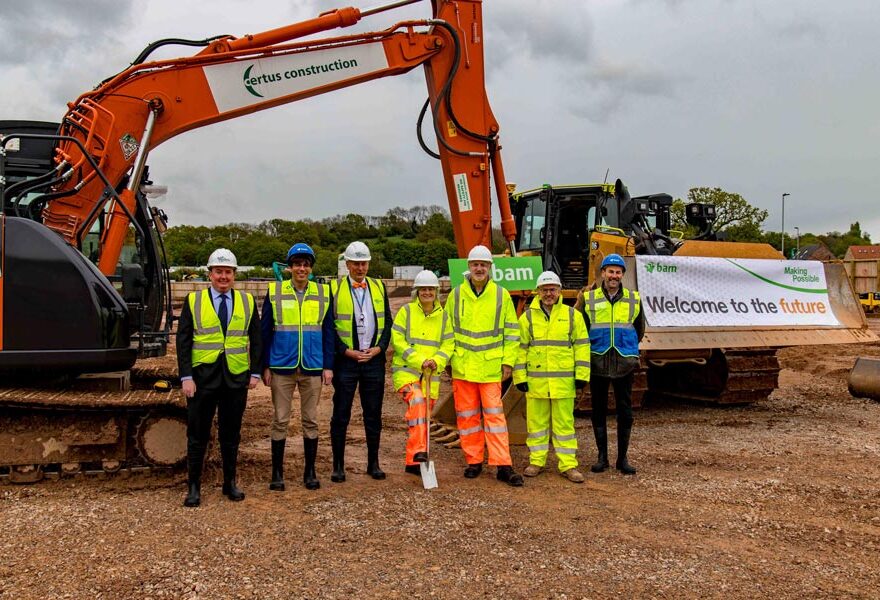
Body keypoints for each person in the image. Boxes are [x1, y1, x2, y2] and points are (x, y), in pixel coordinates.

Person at [177, 248, 261, 507]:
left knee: (231, 434)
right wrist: (186, 377)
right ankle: (193, 487)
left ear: (234, 274)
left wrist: (255, 371)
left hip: (235, 378)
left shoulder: (247, 302)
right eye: (218, 272)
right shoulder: (194, 301)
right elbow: (183, 341)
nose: (223, 277)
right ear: (210, 274)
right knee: (197, 434)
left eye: (228, 272)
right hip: (202, 378)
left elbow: (256, 340)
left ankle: (229, 483)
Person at [445, 245, 523, 487]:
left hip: (490, 369)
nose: (479, 268)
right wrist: (447, 359)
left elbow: (512, 332)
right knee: (467, 419)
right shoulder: (455, 295)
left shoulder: (501, 295)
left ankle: (503, 465)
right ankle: (474, 461)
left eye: (484, 264)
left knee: (495, 419)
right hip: (464, 367)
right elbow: (446, 331)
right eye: (475, 264)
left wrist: (508, 361)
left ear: (490, 267)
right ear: (468, 267)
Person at [260, 243, 334, 491]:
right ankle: (277, 473)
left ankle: (310, 472)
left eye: (306, 264)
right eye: (297, 264)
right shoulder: (275, 292)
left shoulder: (323, 293)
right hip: (281, 366)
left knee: (311, 420)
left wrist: (328, 366)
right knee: (280, 419)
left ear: (310, 268)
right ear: (289, 267)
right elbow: (265, 332)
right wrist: (264, 366)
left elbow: (328, 331)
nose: (302, 268)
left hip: (313, 366)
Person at [513, 271, 590, 483]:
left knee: (564, 425)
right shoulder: (527, 317)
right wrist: (520, 377)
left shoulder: (573, 315)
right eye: (545, 290)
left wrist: (582, 375)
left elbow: (582, 347)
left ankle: (568, 465)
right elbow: (520, 349)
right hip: (536, 383)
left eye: (552, 289)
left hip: (563, 383)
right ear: (538, 292)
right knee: (536, 425)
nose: (549, 293)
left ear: (559, 291)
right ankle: (536, 461)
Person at [329, 241, 392, 482]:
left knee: (373, 414)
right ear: (347, 264)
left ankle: (373, 463)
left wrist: (380, 348)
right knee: (341, 413)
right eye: (355, 263)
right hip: (346, 362)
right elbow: (329, 328)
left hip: (373, 361)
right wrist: (345, 351)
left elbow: (387, 322)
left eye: (363, 263)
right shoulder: (334, 290)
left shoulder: (378, 287)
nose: (360, 267)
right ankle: (338, 466)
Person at [576, 253, 645, 475]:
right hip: (597, 360)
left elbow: (639, 329)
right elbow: (581, 328)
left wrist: (628, 350)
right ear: (603, 273)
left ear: (622, 274)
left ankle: (622, 459)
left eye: (618, 272)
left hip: (624, 362)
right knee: (599, 409)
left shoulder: (634, 298)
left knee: (625, 411)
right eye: (610, 271)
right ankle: (602, 457)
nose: (614, 276)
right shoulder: (589, 298)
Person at [391, 270, 454, 476]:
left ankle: (412, 462)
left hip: (431, 377)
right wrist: (420, 360)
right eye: (423, 289)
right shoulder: (406, 312)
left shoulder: (443, 317)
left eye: (430, 289)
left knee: (422, 416)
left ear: (436, 292)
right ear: (416, 292)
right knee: (418, 403)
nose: (427, 292)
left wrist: (436, 361)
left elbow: (448, 344)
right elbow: (398, 340)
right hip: (407, 373)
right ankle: (420, 452)